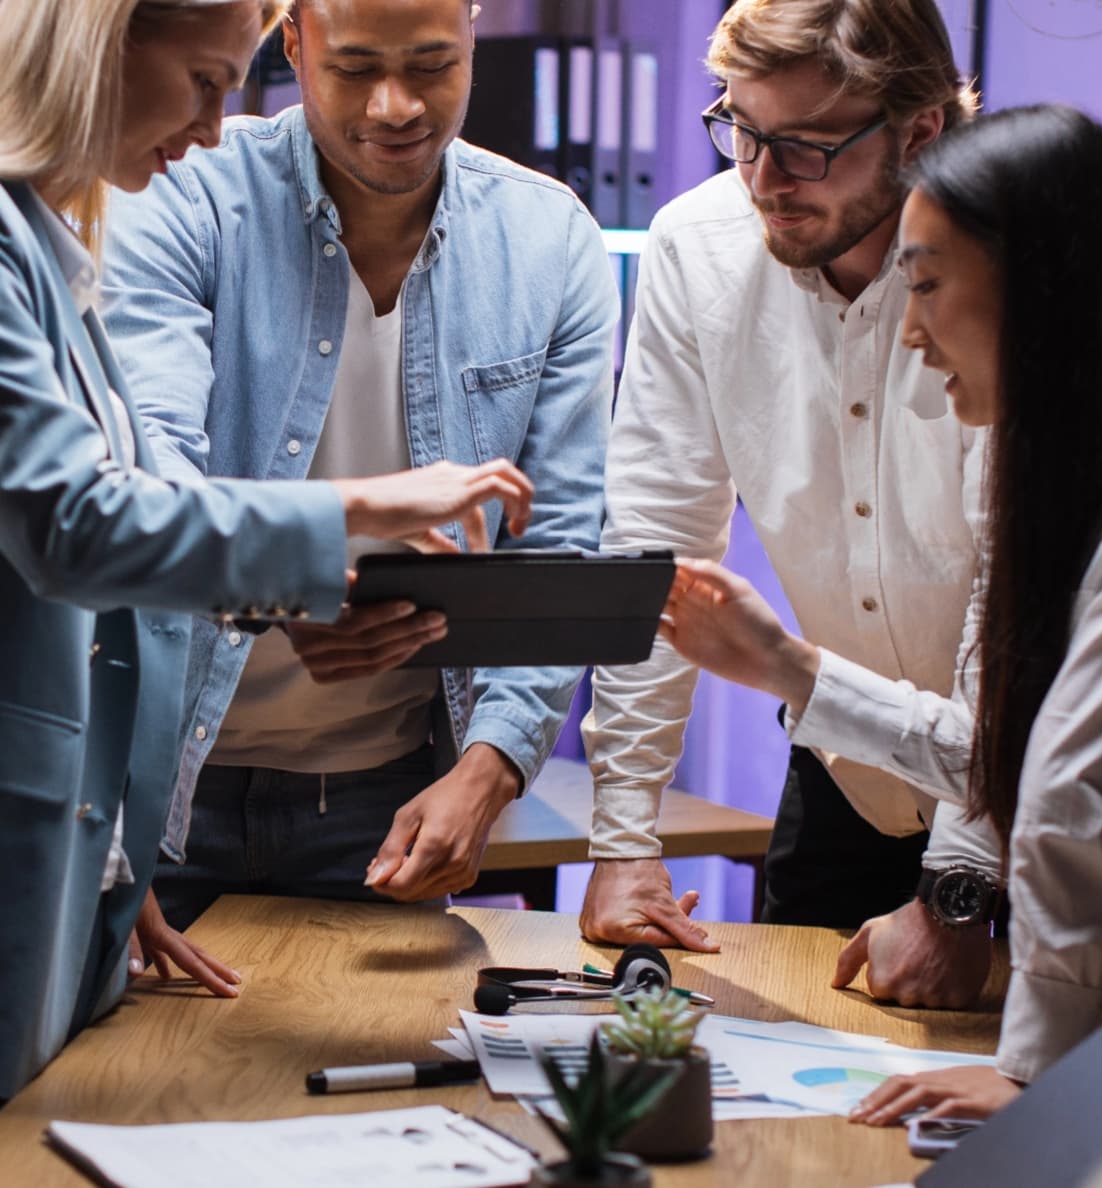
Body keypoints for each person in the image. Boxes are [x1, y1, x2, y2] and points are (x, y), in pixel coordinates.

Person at [660, 104, 1102, 1157]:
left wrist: (1030, 1071)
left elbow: (1072, 780)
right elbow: (999, 747)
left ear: (1040, 280)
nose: (907, 329)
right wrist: (790, 669)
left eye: (927, 283)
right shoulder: (1041, 450)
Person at [0, 0, 535, 1099]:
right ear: (100, 44)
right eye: (204, 81)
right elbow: (83, 526)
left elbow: (127, 575)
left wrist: (112, 837)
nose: (212, 129)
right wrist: (356, 511)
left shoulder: (58, 241)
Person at [101, 0, 617, 943]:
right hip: (158, 779)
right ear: (291, 44)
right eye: (354, 68)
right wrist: (284, 582)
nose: (394, 106)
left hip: (380, 794)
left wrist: (492, 767)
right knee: (132, 1080)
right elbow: (150, 472)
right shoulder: (184, 192)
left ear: (471, 38)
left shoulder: (549, 242)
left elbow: (565, 543)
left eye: (430, 65)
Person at [580, 0, 1001, 1010]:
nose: (762, 182)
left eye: (806, 149)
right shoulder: (698, 245)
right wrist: (624, 834)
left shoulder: (1006, 264)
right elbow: (657, 541)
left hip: (1020, 807)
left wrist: (956, 895)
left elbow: (1016, 620)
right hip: (842, 772)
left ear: (921, 132)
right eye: (740, 129)